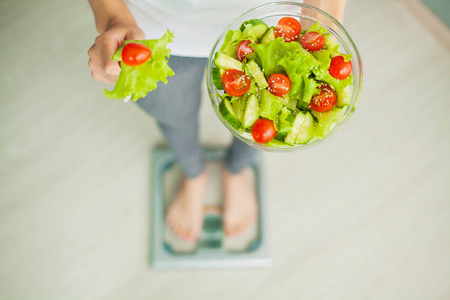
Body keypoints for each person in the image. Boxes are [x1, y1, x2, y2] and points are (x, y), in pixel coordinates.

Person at [87, 0, 347, 243]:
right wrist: (112, 15)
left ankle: (235, 171)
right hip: (150, 25)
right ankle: (194, 173)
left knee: (267, 124)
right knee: (173, 116)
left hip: (275, 24)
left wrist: (322, 18)